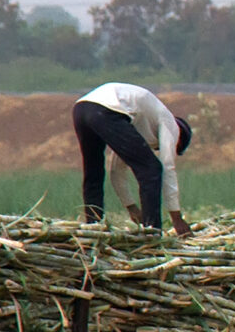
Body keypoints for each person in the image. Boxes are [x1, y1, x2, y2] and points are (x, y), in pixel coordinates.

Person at [74, 82, 193, 234]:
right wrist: (177, 218)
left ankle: (93, 227)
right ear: (179, 140)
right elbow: (167, 167)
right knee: (152, 169)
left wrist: (132, 208)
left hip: (81, 109)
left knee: (94, 173)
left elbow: (117, 171)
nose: (157, 148)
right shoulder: (172, 125)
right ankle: (152, 232)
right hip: (108, 109)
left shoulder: (141, 122)